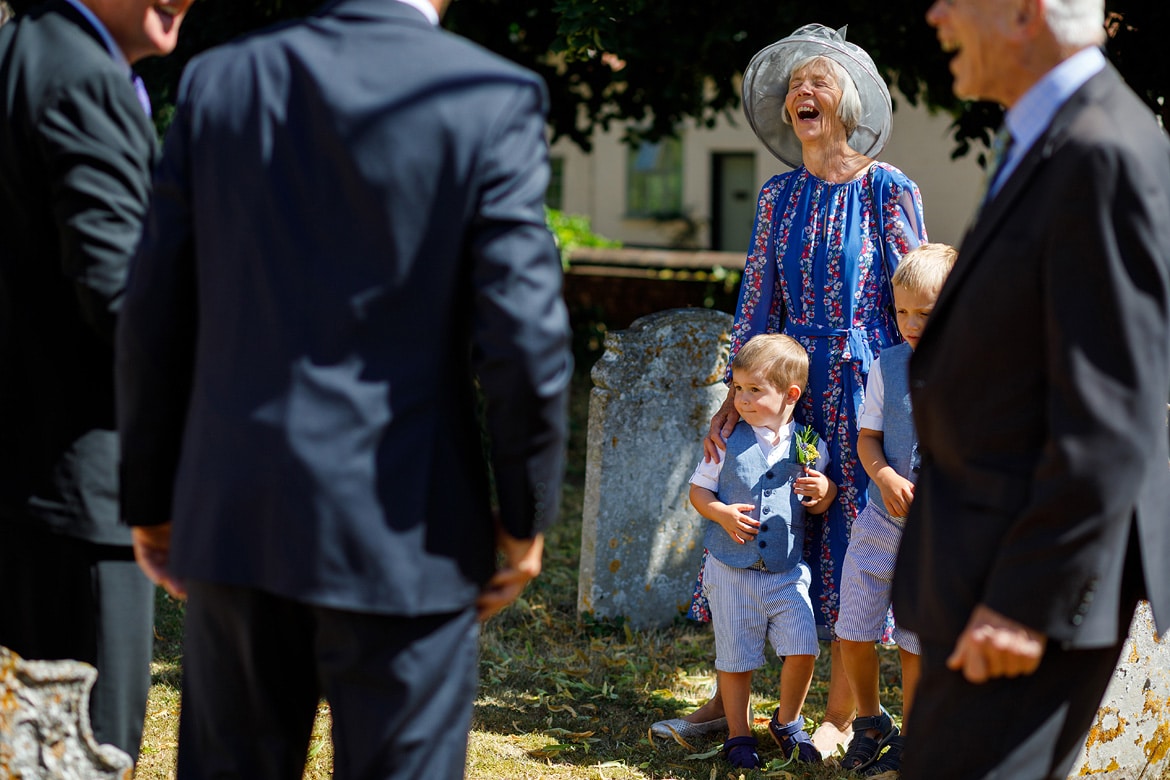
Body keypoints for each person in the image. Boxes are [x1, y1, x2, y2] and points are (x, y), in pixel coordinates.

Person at [115, 0, 573, 777]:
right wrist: (525, 515)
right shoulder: (488, 94)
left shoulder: (223, 78)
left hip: (239, 514)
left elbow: (155, 308)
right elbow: (524, 335)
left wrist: (154, 500)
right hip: (410, 526)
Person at [892, 0, 1170, 777]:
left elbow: (1113, 410)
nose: (937, 15)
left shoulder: (1101, 150)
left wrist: (1027, 601)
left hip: (1022, 584)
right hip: (981, 557)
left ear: (1024, 12)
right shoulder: (1050, 135)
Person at [653, 23, 929, 755]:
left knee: (845, 546)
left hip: (863, 391)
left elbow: (921, 295)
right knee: (766, 527)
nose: (803, 93)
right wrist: (728, 397)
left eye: (820, 82)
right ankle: (728, 705)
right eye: (794, 86)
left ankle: (839, 717)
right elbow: (755, 301)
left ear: (849, 103)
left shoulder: (888, 187)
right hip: (783, 392)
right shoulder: (777, 195)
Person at [0, 0, 194, 760]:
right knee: (82, 758)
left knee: (36, 759)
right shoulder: (86, 81)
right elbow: (123, 301)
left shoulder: (19, 52)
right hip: (83, 504)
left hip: (26, 485)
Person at [835, 242, 956, 776]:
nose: (910, 323)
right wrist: (883, 474)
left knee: (914, 642)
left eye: (925, 314)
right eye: (902, 310)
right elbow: (868, 439)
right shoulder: (889, 365)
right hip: (881, 521)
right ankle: (870, 720)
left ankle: (913, 732)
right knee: (852, 633)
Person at [688, 333, 835, 769]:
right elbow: (698, 493)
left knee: (804, 646)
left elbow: (821, 501)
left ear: (790, 395)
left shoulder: (808, 442)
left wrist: (823, 491)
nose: (742, 399)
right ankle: (738, 733)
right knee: (735, 658)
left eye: (755, 390)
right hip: (731, 570)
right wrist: (722, 514)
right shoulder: (727, 439)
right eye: (737, 388)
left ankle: (787, 721)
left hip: (786, 571)